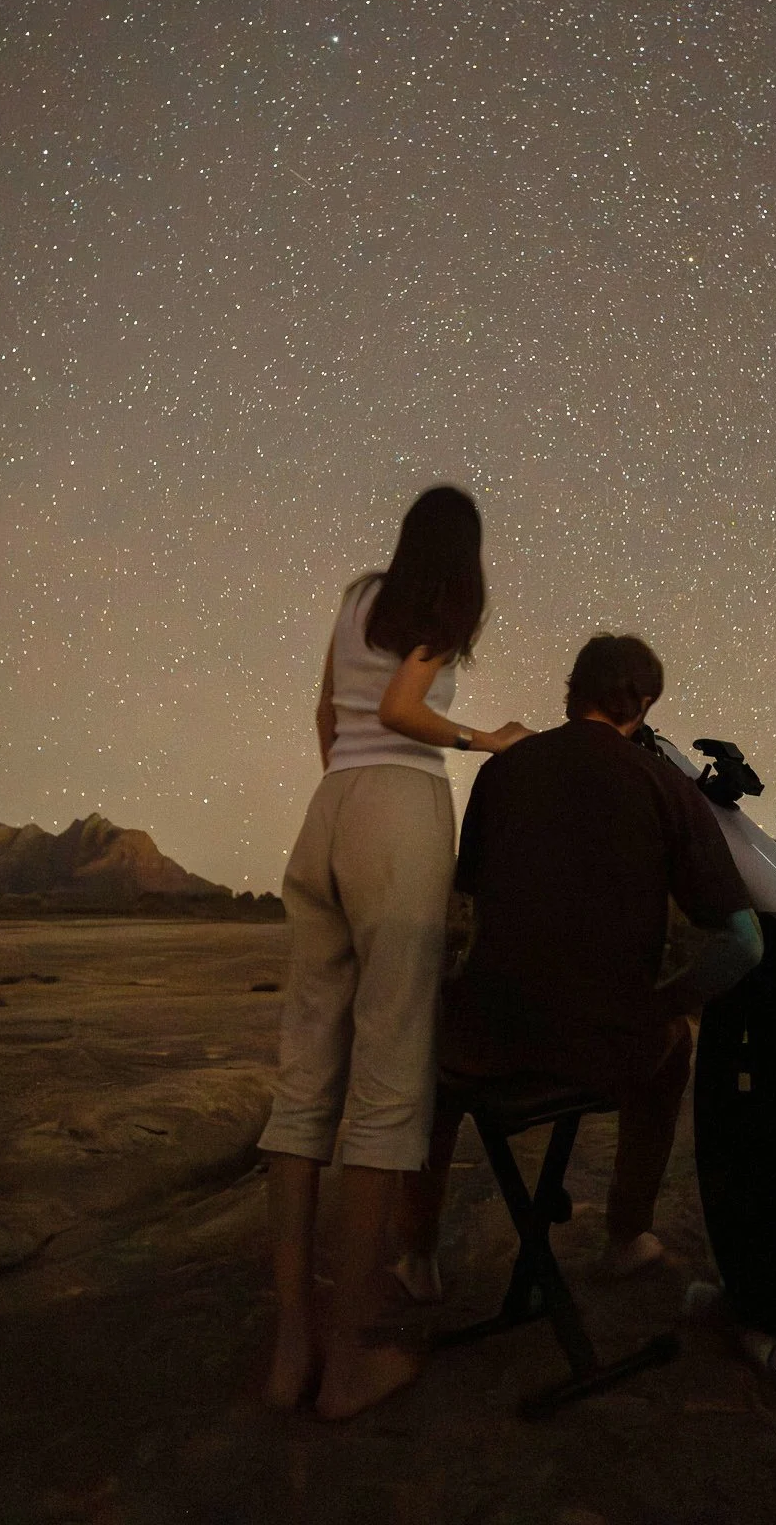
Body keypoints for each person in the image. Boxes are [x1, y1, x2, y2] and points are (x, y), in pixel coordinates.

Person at [260, 485, 531, 1419]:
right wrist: (484, 739)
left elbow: (328, 716)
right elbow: (404, 707)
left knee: (304, 1081)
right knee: (388, 1079)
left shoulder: (358, 597)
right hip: (398, 810)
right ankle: (349, 1360)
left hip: (329, 810)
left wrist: (347, 791)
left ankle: (291, 1347)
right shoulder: (439, 604)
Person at [394, 633, 762, 1295]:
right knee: (674, 1049)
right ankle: (626, 1236)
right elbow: (743, 944)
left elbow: (469, 895)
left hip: (488, 1041)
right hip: (603, 1047)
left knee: (435, 1066)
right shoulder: (665, 786)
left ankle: (416, 1254)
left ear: (572, 693)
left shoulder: (502, 770)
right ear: (642, 705)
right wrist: (656, 1005)